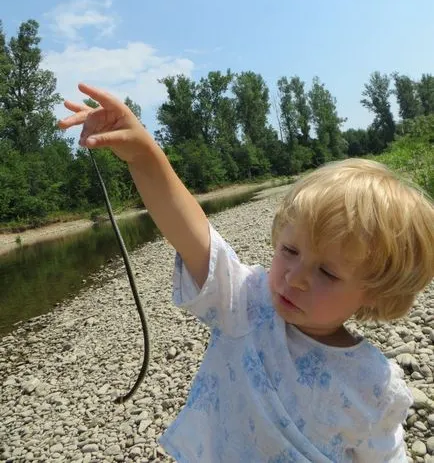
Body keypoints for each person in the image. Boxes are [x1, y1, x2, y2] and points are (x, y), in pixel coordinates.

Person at [59, 83, 434, 462]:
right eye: (289, 251)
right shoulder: (246, 304)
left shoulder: (373, 386)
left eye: (327, 273)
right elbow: (188, 228)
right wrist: (142, 153)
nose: (295, 277)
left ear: (376, 290)